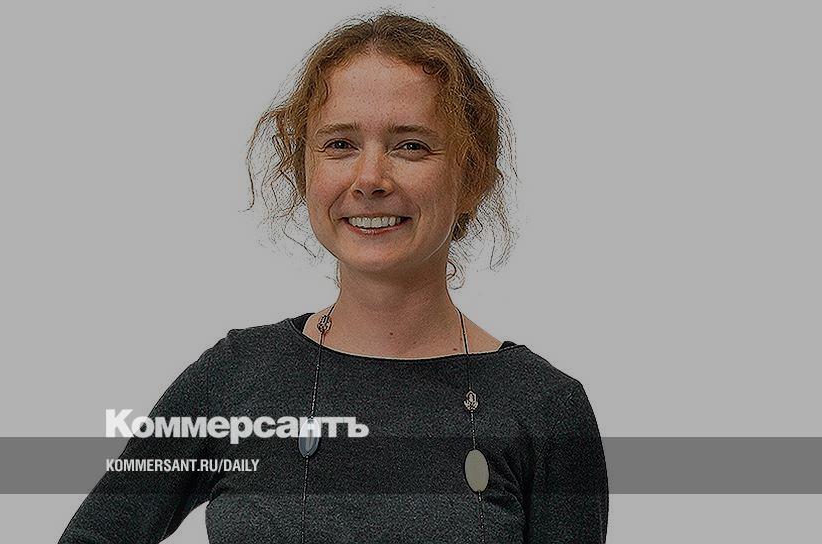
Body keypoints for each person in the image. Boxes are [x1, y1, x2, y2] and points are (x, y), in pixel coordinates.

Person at [60, 9, 608, 544]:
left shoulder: (546, 409)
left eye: (411, 145)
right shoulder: (236, 376)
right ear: (304, 171)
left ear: (472, 176)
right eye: (340, 144)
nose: (370, 178)